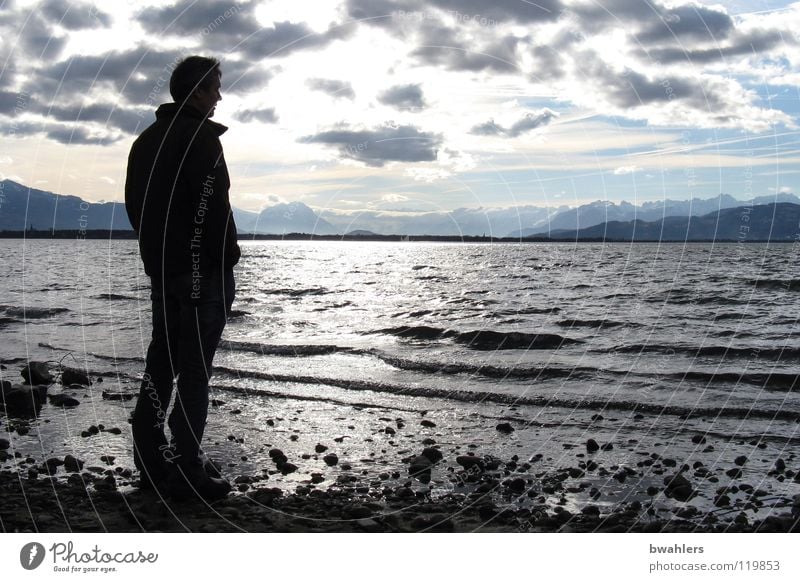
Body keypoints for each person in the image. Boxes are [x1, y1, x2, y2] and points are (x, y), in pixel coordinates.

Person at [125, 55, 240, 501]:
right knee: (194, 371)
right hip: (200, 277)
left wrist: (159, 259)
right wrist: (224, 256)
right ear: (196, 91)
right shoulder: (202, 140)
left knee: (161, 364)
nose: (219, 96)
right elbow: (214, 210)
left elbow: (137, 211)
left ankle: (151, 463)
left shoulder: (146, 141)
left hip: (165, 273)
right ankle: (188, 469)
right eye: (214, 87)